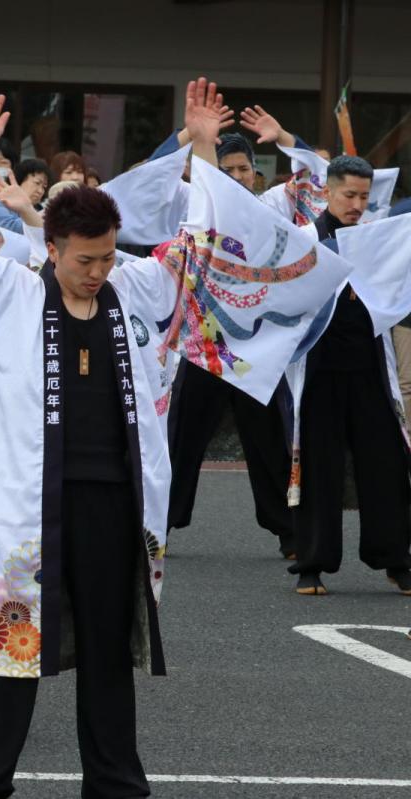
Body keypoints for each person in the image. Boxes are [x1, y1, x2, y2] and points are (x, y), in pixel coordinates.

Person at [0, 79, 347, 799]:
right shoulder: (3, 289)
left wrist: (200, 146)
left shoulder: (134, 287)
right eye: (85, 260)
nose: (98, 271)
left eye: (106, 257)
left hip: (112, 497)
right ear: (52, 247)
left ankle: (114, 780)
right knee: (1, 649)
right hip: (21, 505)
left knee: (108, 644)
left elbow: (200, 247)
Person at [164, 105, 323, 559]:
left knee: (268, 438)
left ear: (256, 173)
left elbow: (318, 182)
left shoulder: (272, 205)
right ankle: (160, 525)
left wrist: (286, 138)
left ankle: (288, 531)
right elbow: (147, 180)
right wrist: (189, 137)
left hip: (257, 343)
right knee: (182, 438)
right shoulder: (193, 205)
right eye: (226, 168)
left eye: (243, 168)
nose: (236, 176)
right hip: (205, 340)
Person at [288, 155, 411, 596]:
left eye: (364, 196)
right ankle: (312, 562)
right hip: (318, 366)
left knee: (387, 463)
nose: (357, 204)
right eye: (349, 195)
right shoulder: (303, 240)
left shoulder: (382, 239)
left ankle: (396, 559)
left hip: (369, 365)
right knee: (319, 464)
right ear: (327, 192)